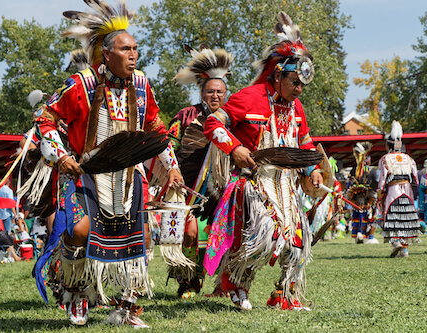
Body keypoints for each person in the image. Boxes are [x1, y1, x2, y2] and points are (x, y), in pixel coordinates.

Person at [32, 0, 182, 328]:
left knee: (143, 236)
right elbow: (45, 117)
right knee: (80, 231)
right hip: (84, 172)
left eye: (136, 49)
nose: (133, 55)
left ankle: (126, 307)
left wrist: (170, 166)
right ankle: (74, 293)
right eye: (126, 49)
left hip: (129, 175)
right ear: (107, 52)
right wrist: (62, 156)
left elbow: (156, 129)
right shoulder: (80, 85)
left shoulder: (141, 87)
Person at [202, 12, 322, 311]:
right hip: (253, 183)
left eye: (302, 85)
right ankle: (235, 284)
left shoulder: (297, 109)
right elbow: (213, 124)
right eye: (295, 82)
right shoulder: (250, 97)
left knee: (297, 243)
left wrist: (313, 169)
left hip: (286, 183)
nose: (299, 90)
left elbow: (304, 143)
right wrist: (234, 148)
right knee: (264, 236)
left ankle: (284, 295)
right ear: (279, 75)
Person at [166, 44, 233, 299]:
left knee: (223, 235)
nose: (214, 96)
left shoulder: (232, 119)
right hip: (189, 186)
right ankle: (188, 280)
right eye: (210, 91)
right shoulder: (186, 115)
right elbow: (168, 145)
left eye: (219, 92)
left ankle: (222, 284)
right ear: (202, 92)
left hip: (224, 186)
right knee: (190, 234)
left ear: (225, 95)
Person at [377, 121, 420, 257]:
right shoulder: (409, 158)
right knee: (406, 217)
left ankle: (396, 243)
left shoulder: (385, 159)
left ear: (388, 145)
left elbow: (382, 179)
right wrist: (414, 192)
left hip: (393, 190)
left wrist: (380, 193)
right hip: (407, 190)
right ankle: (405, 250)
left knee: (393, 216)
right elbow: (415, 178)